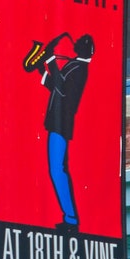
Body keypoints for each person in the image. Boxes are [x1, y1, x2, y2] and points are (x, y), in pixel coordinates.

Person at [38, 34, 94, 232]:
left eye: (80, 42)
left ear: (86, 50)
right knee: (57, 169)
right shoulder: (75, 65)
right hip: (56, 123)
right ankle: (70, 218)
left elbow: (61, 88)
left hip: (61, 125)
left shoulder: (80, 69)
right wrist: (41, 70)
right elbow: (55, 87)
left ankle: (71, 219)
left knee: (57, 169)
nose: (75, 43)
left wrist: (50, 58)